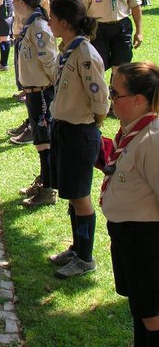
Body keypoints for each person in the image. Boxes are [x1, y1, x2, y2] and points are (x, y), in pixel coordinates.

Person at [47, 0, 109, 279]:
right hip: (64, 129)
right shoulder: (68, 50)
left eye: (51, 18)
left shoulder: (84, 54)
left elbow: (100, 99)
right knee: (72, 195)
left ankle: (85, 257)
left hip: (79, 132)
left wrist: (91, 125)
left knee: (81, 197)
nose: (49, 23)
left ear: (63, 22)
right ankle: (76, 247)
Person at [100, 62, 159, 347]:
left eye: (115, 93)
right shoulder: (132, 131)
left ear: (138, 100)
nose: (110, 99)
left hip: (145, 239)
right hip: (127, 235)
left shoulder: (152, 140)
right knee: (139, 307)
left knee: (151, 314)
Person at [5, 0, 57, 206]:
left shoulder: (38, 28)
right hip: (33, 92)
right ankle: (45, 179)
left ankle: (48, 189)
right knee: (40, 141)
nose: (12, 3)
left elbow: (51, 63)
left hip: (42, 93)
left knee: (45, 143)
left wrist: (50, 92)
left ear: (23, 2)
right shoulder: (30, 24)